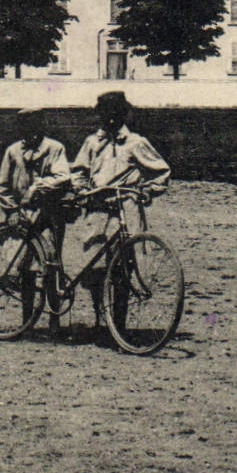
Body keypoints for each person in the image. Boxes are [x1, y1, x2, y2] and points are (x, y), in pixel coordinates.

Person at [68, 91, 170, 332]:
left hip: (125, 210)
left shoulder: (136, 143)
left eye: (115, 114)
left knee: (123, 268)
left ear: (124, 115)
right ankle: (101, 319)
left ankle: (119, 325)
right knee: (95, 268)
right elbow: (78, 172)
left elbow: (161, 171)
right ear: (100, 116)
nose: (110, 120)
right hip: (96, 210)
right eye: (105, 115)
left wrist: (147, 191)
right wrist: (82, 189)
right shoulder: (93, 143)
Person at [0, 106, 72, 302]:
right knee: (24, 266)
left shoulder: (55, 148)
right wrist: (11, 210)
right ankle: (26, 320)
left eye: (35, 124)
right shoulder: (13, 151)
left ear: (42, 125)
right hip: (23, 214)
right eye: (26, 126)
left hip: (49, 213)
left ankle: (55, 322)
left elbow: (62, 177)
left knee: (50, 265)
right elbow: (2, 185)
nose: (31, 131)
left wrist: (37, 187)